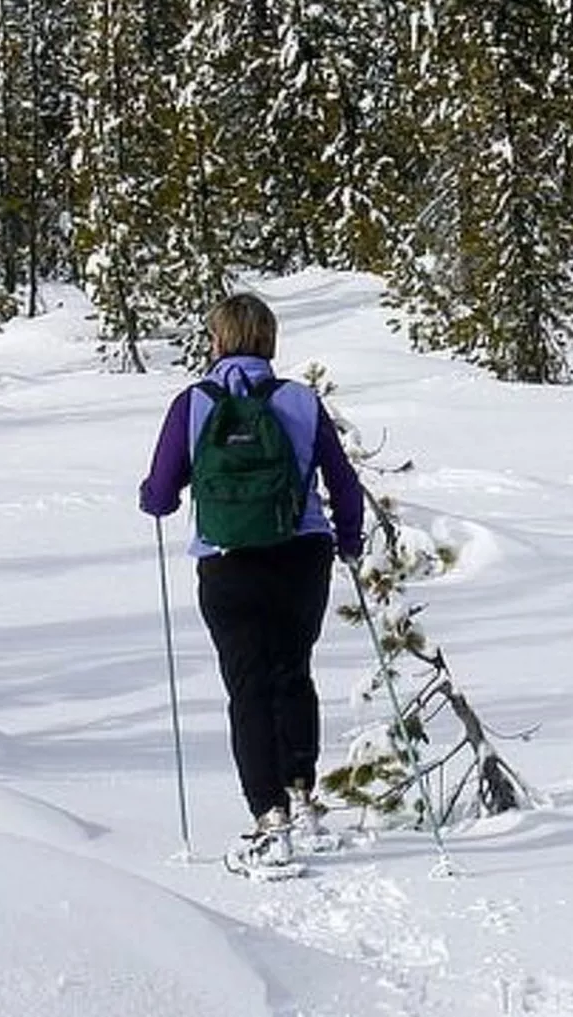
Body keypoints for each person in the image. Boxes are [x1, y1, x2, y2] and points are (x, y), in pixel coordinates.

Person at [139, 293, 364, 874]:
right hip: (303, 554)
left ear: (217, 341)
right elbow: (343, 483)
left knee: (247, 687)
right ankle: (303, 796)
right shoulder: (301, 400)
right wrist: (349, 541)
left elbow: (161, 493)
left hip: (228, 561)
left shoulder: (193, 403)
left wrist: (153, 498)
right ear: (269, 341)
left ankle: (269, 817)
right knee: (293, 672)